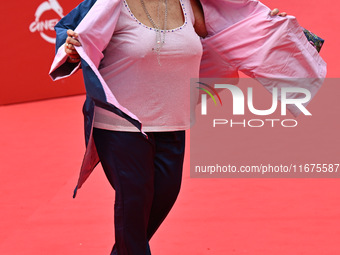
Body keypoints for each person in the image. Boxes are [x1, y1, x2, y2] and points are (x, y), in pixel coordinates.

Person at [49, 0, 325, 254]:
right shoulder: (109, 4)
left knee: (155, 207)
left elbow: (237, 29)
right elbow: (72, 33)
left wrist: (270, 27)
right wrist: (73, 52)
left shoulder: (191, 3)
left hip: (173, 122)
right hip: (121, 125)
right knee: (133, 209)